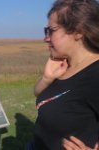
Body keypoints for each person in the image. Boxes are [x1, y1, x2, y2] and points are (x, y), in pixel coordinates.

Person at [32, 0, 99, 149]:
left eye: (52, 30)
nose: (46, 38)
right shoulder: (64, 65)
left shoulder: (96, 75)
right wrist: (47, 79)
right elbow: (41, 97)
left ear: (78, 31)